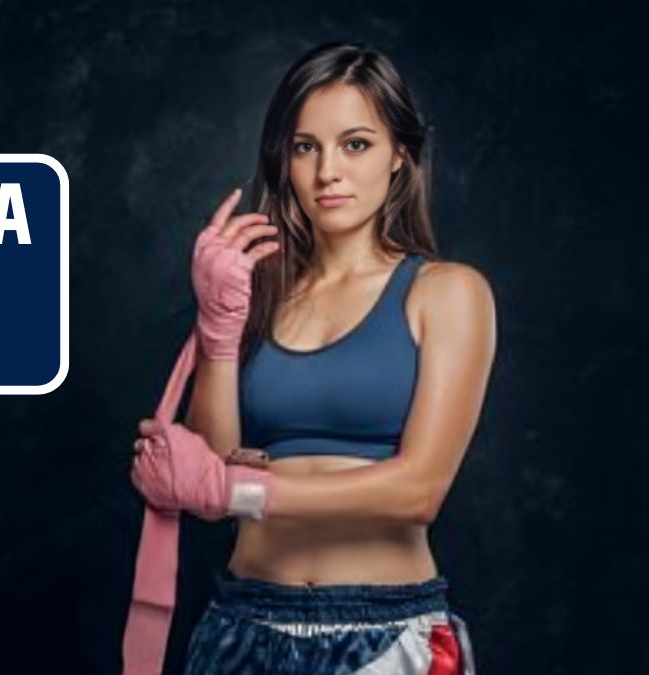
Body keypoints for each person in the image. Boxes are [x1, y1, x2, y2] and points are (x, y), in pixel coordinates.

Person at [130, 42, 497, 674]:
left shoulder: (447, 292)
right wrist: (218, 328)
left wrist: (244, 489)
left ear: (399, 158)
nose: (329, 170)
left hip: (384, 632)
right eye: (306, 147)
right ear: (285, 161)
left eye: (356, 144)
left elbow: (418, 490)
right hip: (241, 626)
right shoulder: (256, 292)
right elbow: (210, 474)